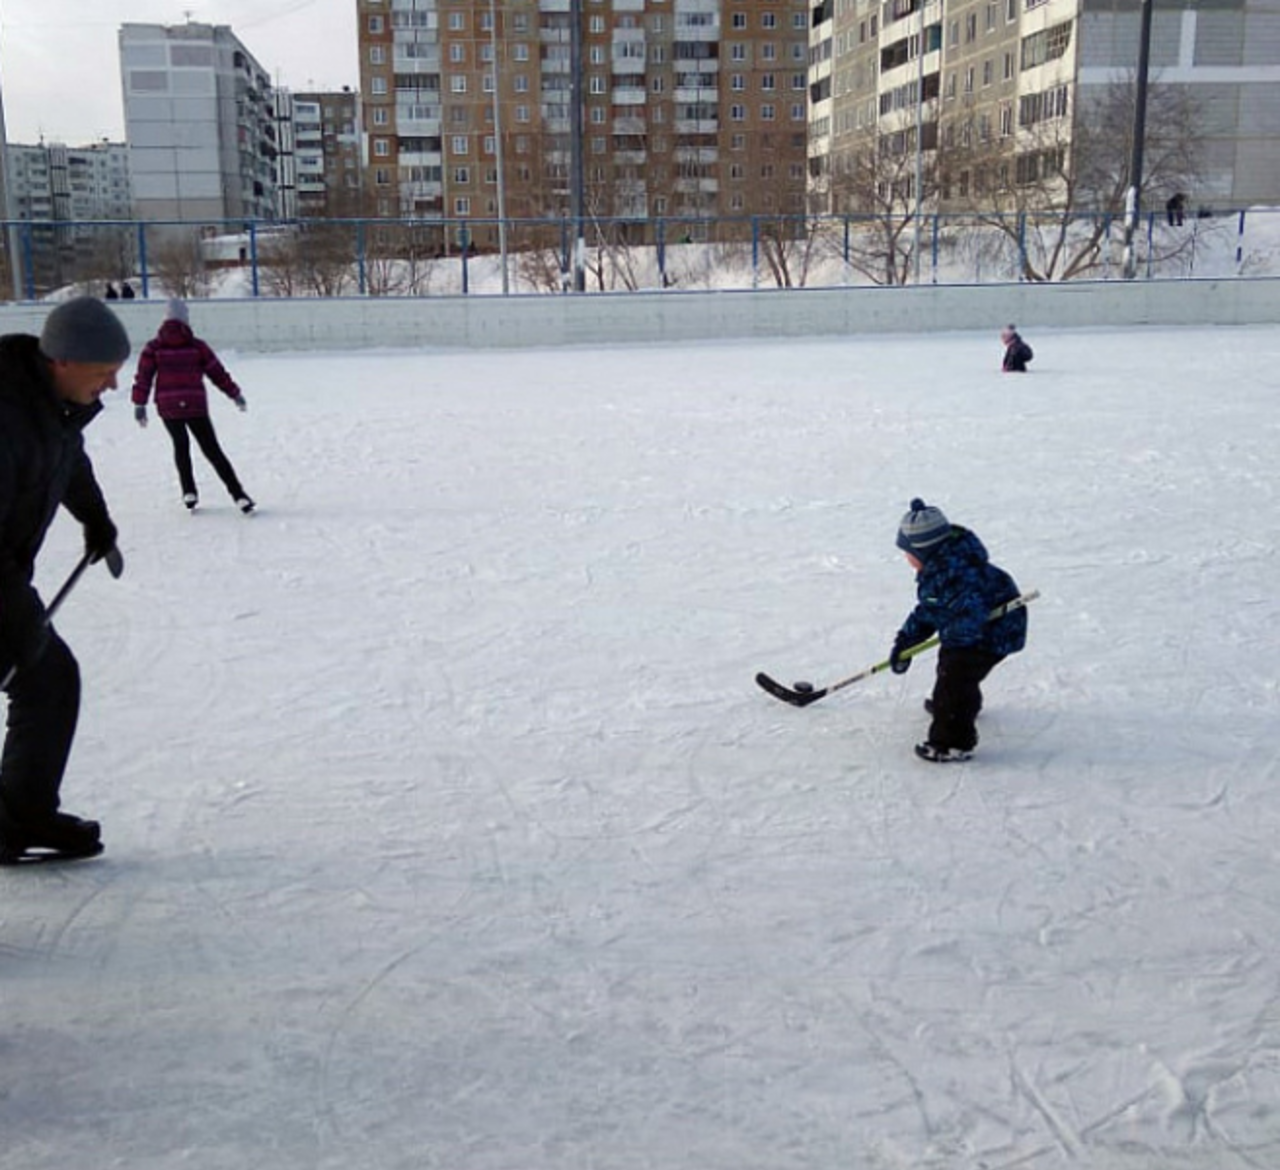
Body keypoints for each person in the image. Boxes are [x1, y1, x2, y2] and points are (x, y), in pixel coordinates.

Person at [0, 296, 129, 863]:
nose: (114, 384)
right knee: (41, 673)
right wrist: (17, 616)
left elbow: (68, 460)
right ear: (63, 361)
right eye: (104, 372)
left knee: (49, 681)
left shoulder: (51, 408)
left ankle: (22, 817)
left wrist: (96, 519)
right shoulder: (3, 418)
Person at [889, 499, 1027, 763]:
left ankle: (952, 741)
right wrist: (906, 641)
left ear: (925, 550)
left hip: (995, 633)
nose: (906, 559)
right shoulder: (939, 573)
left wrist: (951, 632)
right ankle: (954, 708)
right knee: (956, 677)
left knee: (955, 678)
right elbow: (928, 610)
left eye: (909, 553)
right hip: (974, 632)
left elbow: (969, 619)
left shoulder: (961, 576)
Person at [131, 299, 255, 514]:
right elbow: (217, 373)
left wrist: (139, 404)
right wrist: (234, 394)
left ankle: (189, 492)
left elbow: (143, 377)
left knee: (181, 446)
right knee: (212, 450)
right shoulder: (197, 346)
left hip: (168, 405)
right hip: (195, 403)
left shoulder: (154, 347)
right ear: (186, 321)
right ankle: (239, 495)